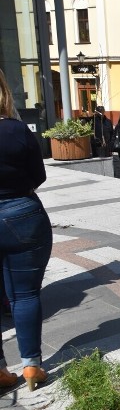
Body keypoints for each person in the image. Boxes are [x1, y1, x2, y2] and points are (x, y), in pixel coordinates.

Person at [0, 67, 52, 390]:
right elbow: (39, 176)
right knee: (25, 294)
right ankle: (31, 367)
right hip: (22, 214)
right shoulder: (18, 131)